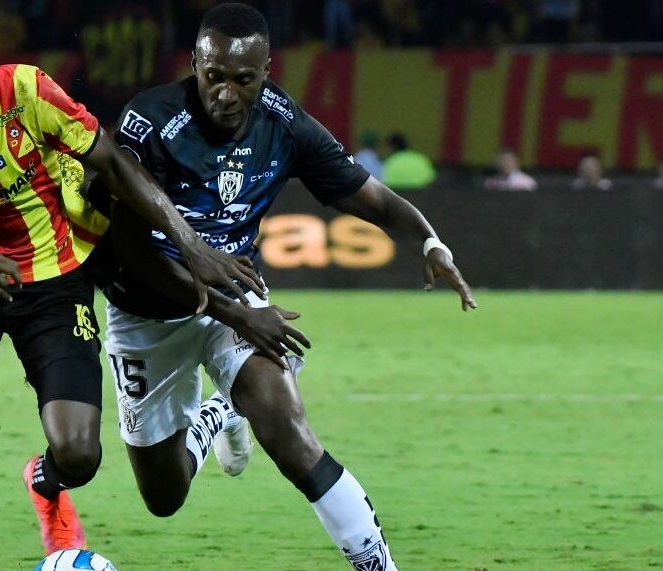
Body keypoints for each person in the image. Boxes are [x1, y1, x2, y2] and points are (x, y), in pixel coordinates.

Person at [0, 9, 262, 570]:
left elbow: (117, 165)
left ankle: (43, 481)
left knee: (78, 454)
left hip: (55, 278)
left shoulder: (28, 91)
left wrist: (191, 246)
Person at [94, 4, 477, 571]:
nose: (225, 93)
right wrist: (233, 314)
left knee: (292, 434)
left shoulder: (286, 124)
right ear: (195, 64)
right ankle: (217, 415)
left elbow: (366, 195)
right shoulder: (148, 125)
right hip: (146, 312)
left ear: (266, 70)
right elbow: (127, 253)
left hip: (236, 300)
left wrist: (429, 241)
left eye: (242, 79)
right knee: (164, 496)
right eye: (213, 76)